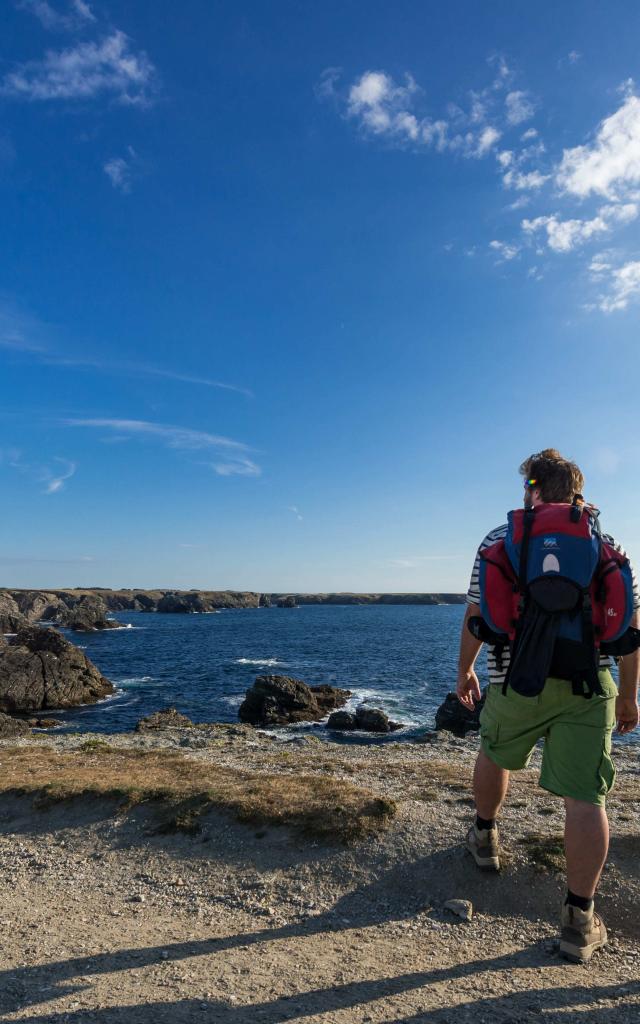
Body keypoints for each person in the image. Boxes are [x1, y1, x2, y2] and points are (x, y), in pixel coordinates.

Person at [456, 448, 640, 963]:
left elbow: (477, 610)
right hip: (588, 685)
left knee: (494, 752)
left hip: (515, 679)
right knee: (586, 797)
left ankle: (486, 839)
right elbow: (629, 628)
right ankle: (578, 920)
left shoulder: (500, 539)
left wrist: (465, 670)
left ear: (533, 490)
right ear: (578, 491)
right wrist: (628, 696)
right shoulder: (606, 542)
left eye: (526, 486)